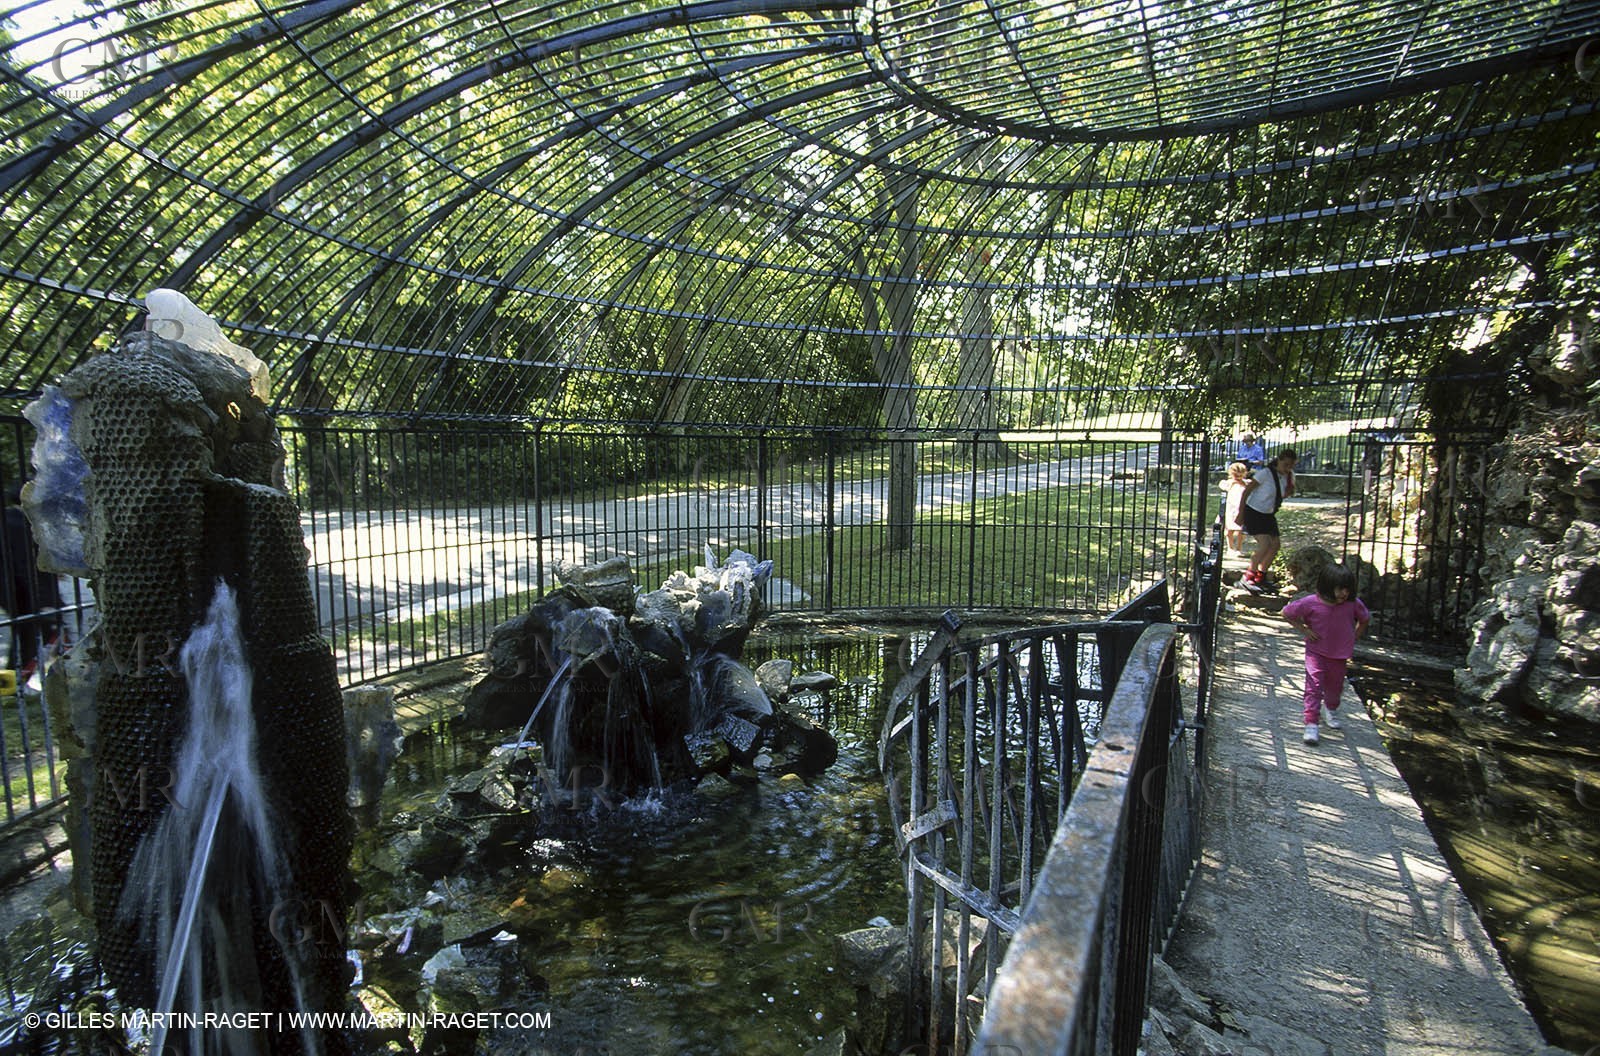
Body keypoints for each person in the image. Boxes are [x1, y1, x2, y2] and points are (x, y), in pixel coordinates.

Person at [1282, 563, 1370, 745]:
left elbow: (1364, 619)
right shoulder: (1310, 602)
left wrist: (1353, 637)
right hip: (1316, 652)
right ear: (1328, 586)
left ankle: (1330, 708)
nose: (1344, 594)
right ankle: (1311, 722)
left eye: (1347, 589)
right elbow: (1287, 613)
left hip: (1339, 655)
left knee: (1335, 686)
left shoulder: (1352, 604)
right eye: (1340, 589)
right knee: (1313, 685)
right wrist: (1304, 630)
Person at [3, 483, 63, 683]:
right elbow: (27, 565)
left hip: (16, 589)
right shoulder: (19, 524)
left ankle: (14, 681)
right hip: (22, 591)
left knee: (28, 631)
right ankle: (14, 682)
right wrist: (45, 600)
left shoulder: (11, 519)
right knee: (36, 631)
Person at [1238, 448, 1296, 593]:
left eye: (1291, 465)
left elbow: (1282, 494)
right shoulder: (1265, 473)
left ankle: (1261, 576)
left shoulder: (1288, 476)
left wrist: (1290, 487)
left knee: (1275, 545)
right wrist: (1240, 513)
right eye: (1286, 464)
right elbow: (1247, 491)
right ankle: (1248, 576)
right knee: (1265, 545)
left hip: (1268, 514)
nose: (1288, 468)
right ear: (1279, 461)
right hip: (1254, 512)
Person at [1219, 461, 1249, 552]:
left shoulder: (1246, 483)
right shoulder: (1229, 483)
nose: (1238, 477)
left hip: (1242, 508)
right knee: (1229, 528)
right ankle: (1230, 547)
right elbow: (1222, 485)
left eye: (1241, 474)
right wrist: (1232, 483)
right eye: (1236, 474)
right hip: (1231, 508)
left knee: (1241, 530)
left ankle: (1239, 548)